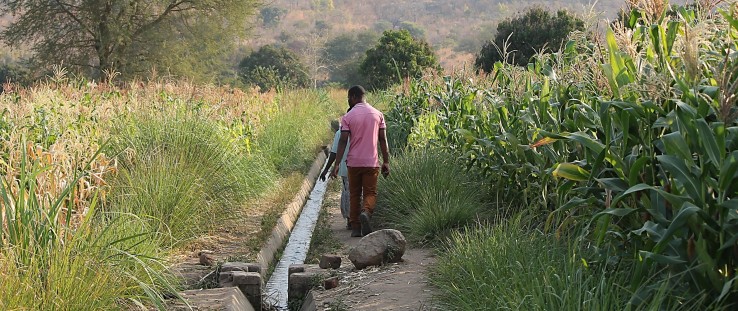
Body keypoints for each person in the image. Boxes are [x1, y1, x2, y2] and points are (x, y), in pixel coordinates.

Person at [330, 85, 390, 237]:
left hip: (353, 163)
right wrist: (386, 161)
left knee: (355, 194)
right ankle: (366, 212)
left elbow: (343, 141)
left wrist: (337, 164)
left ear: (354, 97)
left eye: (349, 98)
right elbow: (382, 139)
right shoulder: (378, 114)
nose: (348, 101)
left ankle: (356, 228)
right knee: (370, 192)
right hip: (371, 163)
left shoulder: (348, 117)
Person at [320, 116, 352, 229]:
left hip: (345, 168)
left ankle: (350, 219)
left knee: (347, 192)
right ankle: (356, 218)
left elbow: (333, 153)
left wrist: (326, 169)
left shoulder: (340, 133)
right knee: (357, 192)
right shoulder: (360, 130)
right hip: (360, 166)